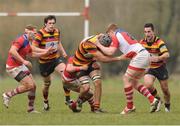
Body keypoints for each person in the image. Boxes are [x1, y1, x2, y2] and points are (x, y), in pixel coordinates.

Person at [95, 23, 160, 114]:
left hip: (140, 56)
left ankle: (130, 107)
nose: (108, 37)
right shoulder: (123, 33)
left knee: (126, 78)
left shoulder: (116, 35)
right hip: (145, 55)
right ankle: (153, 100)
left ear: (111, 31)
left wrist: (98, 44)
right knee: (133, 81)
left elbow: (110, 52)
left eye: (108, 34)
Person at [2, 24, 52, 113]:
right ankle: (8, 95)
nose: (36, 35)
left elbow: (31, 54)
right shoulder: (21, 40)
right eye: (35, 32)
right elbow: (12, 51)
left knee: (33, 86)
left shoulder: (29, 41)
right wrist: (24, 61)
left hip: (20, 66)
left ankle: (30, 109)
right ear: (28, 32)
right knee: (29, 85)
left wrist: (45, 53)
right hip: (13, 67)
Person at [71, 34, 122, 113]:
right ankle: (79, 101)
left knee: (98, 82)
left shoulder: (101, 37)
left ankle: (96, 108)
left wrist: (95, 59)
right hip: (80, 65)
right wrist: (119, 58)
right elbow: (103, 59)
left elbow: (100, 53)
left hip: (90, 63)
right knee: (86, 88)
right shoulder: (89, 44)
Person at [32, 15, 68, 111]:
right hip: (44, 63)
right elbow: (33, 47)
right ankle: (45, 102)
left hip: (55, 59)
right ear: (45, 24)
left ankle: (67, 98)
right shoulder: (40, 33)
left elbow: (58, 42)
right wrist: (45, 51)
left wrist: (63, 52)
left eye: (53, 23)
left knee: (65, 74)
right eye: (50, 23)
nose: (52, 25)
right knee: (47, 84)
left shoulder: (57, 31)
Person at [139, 23, 171, 112]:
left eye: (149, 31)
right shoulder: (142, 42)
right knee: (148, 85)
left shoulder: (159, 42)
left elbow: (167, 54)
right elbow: (137, 53)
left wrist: (158, 58)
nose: (147, 34)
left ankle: (167, 105)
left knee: (165, 90)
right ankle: (158, 100)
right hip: (150, 68)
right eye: (145, 32)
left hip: (160, 67)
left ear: (153, 32)